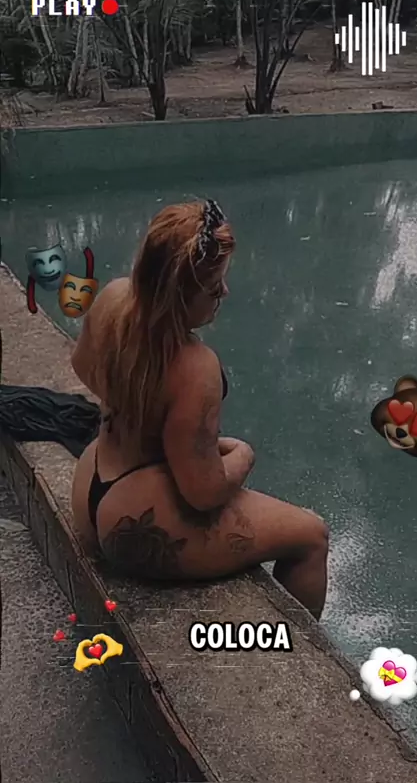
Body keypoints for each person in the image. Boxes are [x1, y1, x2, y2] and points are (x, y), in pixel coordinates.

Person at [71, 200, 329, 619]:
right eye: (212, 287)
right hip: (134, 521)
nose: (224, 292)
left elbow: (82, 366)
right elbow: (204, 492)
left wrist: (146, 416)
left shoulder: (114, 297)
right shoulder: (195, 364)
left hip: (90, 486)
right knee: (312, 535)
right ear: (178, 293)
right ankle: (295, 654)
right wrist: (243, 454)